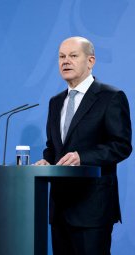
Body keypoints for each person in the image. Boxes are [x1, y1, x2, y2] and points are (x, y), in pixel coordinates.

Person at [35, 36, 132, 255]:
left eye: (73, 56)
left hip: (92, 210)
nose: (65, 61)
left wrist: (83, 157)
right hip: (60, 209)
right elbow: (53, 146)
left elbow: (121, 145)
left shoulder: (111, 97)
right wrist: (47, 161)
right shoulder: (55, 102)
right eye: (61, 57)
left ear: (91, 61)